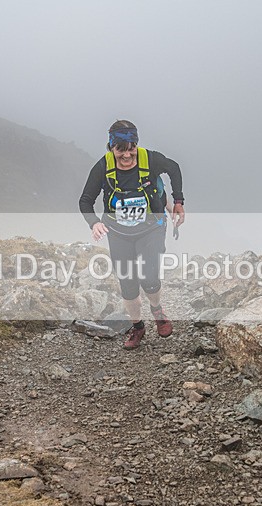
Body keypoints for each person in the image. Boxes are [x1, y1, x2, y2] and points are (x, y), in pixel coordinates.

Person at [79, 120, 185, 349]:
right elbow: (85, 200)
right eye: (120, 150)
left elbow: (174, 168)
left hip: (151, 227)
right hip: (117, 231)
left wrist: (178, 201)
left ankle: (157, 310)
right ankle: (138, 328)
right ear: (111, 147)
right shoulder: (102, 167)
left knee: (149, 276)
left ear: (136, 144)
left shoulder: (151, 159)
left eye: (131, 149)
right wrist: (94, 223)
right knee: (127, 283)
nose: (127, 155)